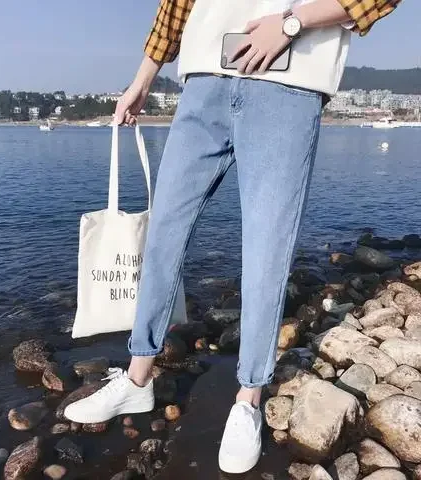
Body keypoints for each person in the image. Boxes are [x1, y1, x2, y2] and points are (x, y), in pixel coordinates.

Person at [65, 0, 400, 473]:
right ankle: (138, 377)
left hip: (287, 83)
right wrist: (142, 79)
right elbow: (176, 6)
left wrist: (292, 23)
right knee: (162, 233)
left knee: (266, 250)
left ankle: (248, 398)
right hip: (203, 83)